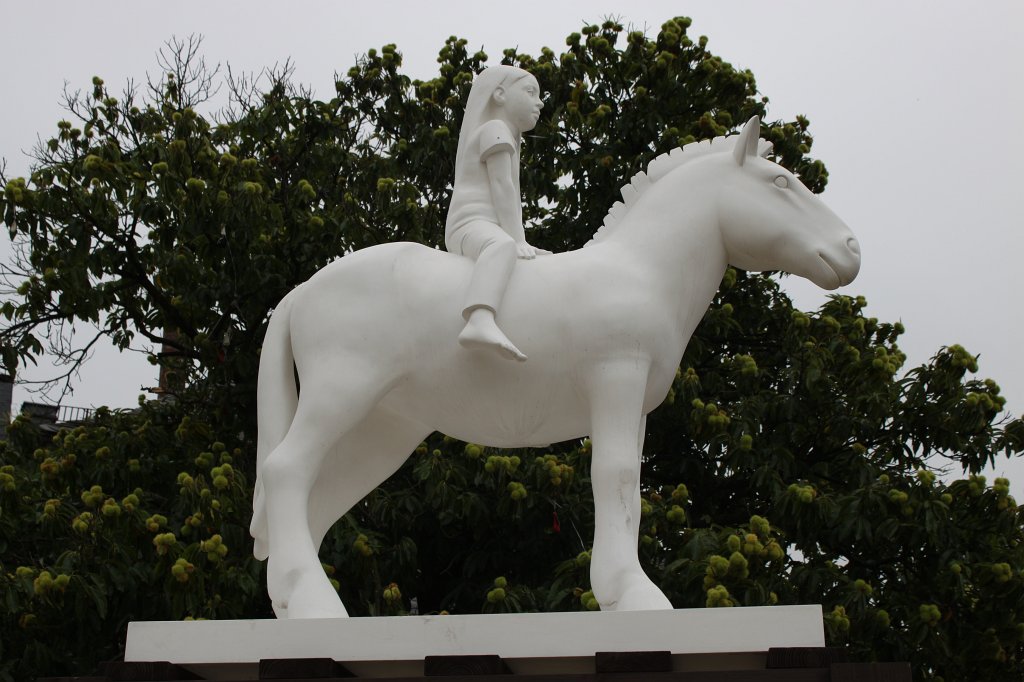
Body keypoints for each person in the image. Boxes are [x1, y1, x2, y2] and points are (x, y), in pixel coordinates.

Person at [445, 65, 549, 362]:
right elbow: (502, 187)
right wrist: (516, 240)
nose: (539, 102)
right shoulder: (495, 130)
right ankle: (479, 317)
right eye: (530, 92)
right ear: (500, 94)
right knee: (501, 246)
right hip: (470, 223)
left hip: (485, 223)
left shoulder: (504, 134)